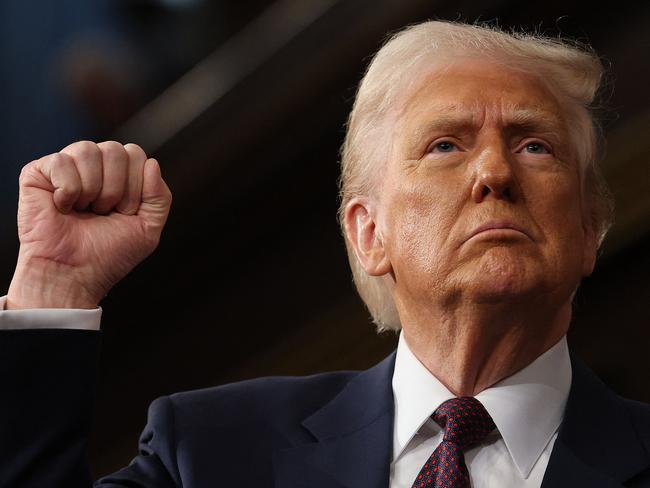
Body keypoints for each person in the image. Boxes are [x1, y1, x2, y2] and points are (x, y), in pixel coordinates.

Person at [1, 20, 649, 488]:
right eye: (445, 146)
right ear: (369, 234)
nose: (494, 173)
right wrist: (53, 290)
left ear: (590, 228)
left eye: (535, 145)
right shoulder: (211, 453)